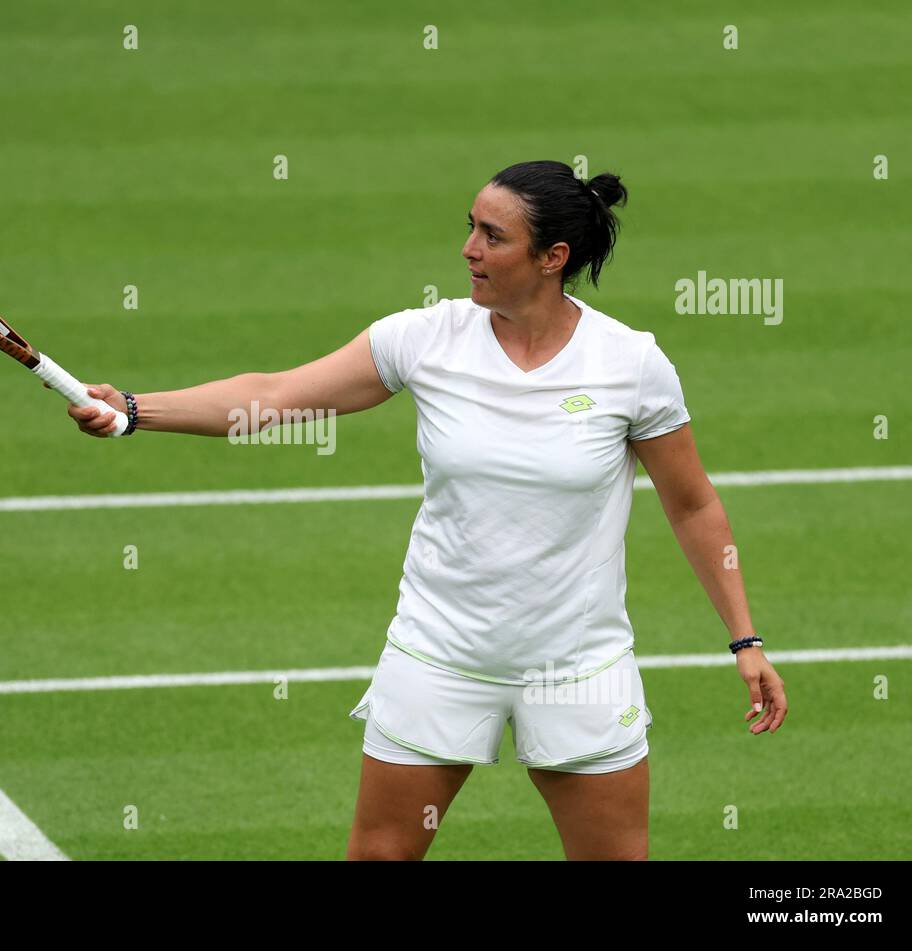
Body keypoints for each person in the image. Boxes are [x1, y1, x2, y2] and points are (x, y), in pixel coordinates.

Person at [62, 160, 788, 861]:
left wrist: (744, 639)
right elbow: (277, 397)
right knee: (380, 855)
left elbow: (693, 505)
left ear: (552, 257)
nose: (468, 249)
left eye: (493, 236)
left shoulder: (630, 364)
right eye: (470, 227)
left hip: (578, 667)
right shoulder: (424, 339)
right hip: (440, 652)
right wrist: (135, 409)